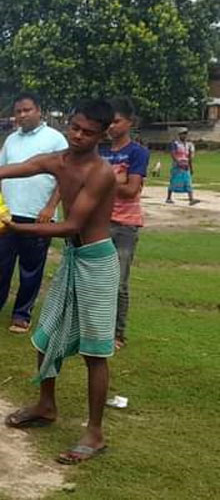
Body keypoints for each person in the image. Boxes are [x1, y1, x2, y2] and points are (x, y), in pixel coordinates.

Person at [0, 99, 119, 466]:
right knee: (44, 336)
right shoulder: (57, 160)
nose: (78, 135)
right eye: (75, 127)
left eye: (87, 132)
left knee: (95, 352)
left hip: (97, 261)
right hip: (75, 259)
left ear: (102, 135)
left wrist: (14, 227)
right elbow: (1, 171)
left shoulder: (101, 173)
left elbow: (72, 226)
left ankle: (95, 431)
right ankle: (46, 405)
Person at [0, 93, 65, 334]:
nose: (22, 115)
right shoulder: (11, 140)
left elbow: (65, 176)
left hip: (37, 215)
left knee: (31, 267)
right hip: (5, 215)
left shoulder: (56, 139)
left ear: (39, 110)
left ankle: (22, 314)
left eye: (27, 110)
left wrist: (50, 207)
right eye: (18, 111)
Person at [100, 98, 150, 349]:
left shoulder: (137, 152)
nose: (111, 126)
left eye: (117, 121)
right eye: (109, 121)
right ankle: (96, 327)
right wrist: (115, 177)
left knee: (118, 282)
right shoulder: (101, 151)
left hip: (125, 225)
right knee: (96, 279)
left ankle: (117, 333)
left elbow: (131, 189)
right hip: (99, 221)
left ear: (130, 122)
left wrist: (107, 178)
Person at [166, 128, 197, 205]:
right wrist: (178, 163)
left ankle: (191, 199)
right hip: (177, 166)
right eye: (182, 134)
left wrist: (191, 167)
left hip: (186, 166)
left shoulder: (189, 145)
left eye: (185, 134)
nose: (184, 135)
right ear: (179, 135)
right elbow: (173, 154)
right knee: (173, 181)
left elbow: (189, 157)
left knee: (188, 181)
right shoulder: (175, 144)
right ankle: (169, 198)